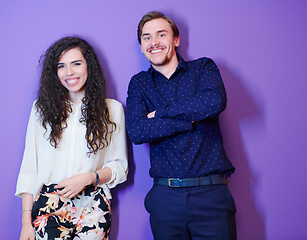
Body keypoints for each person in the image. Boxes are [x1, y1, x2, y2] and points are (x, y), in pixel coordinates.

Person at [126, 11, 237, 239]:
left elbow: (215, 101)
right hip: (165, 198)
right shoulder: (139, 84)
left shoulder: (203, 68)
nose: (154, 42)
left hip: (211, 193)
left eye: (161, 34)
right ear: (141, 46)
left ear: (176, 40)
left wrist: (160, 114)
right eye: (146, 37)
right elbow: (137, 131)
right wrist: (190, 120)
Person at [16, 36, 128, 240]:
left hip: (93, 205)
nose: (69, 72)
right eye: (62, 66)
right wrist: (26, 222)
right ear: (55, 72)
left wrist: (88, 178)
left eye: (76, 64)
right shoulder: (40, 110)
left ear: (89, 66)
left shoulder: (112, 109)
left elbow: (120, 167)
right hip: (49, 205)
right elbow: (30, 167)